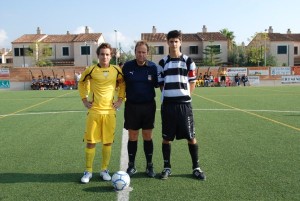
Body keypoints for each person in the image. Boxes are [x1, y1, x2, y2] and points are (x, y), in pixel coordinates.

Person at [157, 30, 206, 180]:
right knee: (167, 138)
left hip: (184, 105)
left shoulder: (188, 61)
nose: (173, 44)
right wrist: (170, 95)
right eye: (171, 41)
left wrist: (185, 96)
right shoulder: (162, 63)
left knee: (191, 137)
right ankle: (167, 167)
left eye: (176, 41)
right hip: (168, 106)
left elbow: (192, 83)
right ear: (167, 43)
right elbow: (161, 85)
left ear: (180, 42)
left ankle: (196, 168)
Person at [78, 43, 125, 184]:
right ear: (98, 56)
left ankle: (104, 170)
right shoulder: (91, 70)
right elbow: (81, 83)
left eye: (107, 54)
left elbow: (123, 84)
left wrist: (120, 100)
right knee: (91, 142)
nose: (104, 57)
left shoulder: (116, 70)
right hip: (94, 112)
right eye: (102, 54)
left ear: (111, 56)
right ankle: (88, 171)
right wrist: (84, 99)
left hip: (110, 112)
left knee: (107, 142)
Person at [122, 40, 159, 178]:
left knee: (148, 136)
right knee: (133, 136)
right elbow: (120, 84)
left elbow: (158, 85)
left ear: (147, 53)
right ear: (135, 52)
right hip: (131, 106)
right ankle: (131, 165)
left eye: (144, 52)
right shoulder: (127, 66)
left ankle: (149, 166)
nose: (141, 55)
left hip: (148, 106)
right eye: (139, 52)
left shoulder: (153, 68)